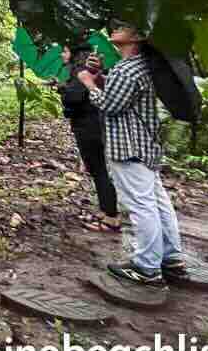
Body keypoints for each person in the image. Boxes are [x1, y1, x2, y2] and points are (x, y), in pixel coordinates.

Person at [78, 26, 183, 286]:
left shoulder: (127, 69)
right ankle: (171, 259)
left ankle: (147, 267)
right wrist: (102, 77)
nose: (115, 28)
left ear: (136, 38)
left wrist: (89, 83)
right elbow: (122, 98)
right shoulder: (139, 66)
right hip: (144, 145)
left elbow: (110, 106)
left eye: (122, 27)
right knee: (157, 203)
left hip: (128, 147)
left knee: (141, 206)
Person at [55, 42, 120, 233]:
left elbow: (74, 98)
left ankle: (111, 217)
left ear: (74, 53)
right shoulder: (84, 69)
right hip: (94, 123)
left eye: (65, 51)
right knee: (97, 169)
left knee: (98, 169)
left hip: (88, 124)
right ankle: (105, 210)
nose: (61, 55)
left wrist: (63, 90)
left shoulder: (80, 70)